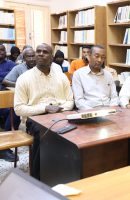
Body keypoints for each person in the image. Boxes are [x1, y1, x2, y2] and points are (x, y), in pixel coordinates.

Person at [14, 43, 74, 179]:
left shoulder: (61, 77)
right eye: (38, 51)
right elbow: (18, 109)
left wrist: (60, 109)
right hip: (34, 119)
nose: (40, 54)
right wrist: (45, 108)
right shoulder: (24, 78)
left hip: (60, 115)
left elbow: (70, 101)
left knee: (76, 131)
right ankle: (39, 177)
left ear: (52, 57)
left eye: (45, 52)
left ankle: (68, 171)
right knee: (46, 134)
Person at [72, 45, 118, 110]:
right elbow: (79, 101)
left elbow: (114, 97)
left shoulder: (108, 75)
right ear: (89, 56)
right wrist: (93, 112)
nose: (99, 60)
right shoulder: (78, 74)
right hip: (90, 111)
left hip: (108, 110)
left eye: (103, 57)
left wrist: (112, 109)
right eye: (97, 56)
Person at [0, 44, 19, 162]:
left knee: (15, 113)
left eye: (2, 49)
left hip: (6, 101)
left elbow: (15, 80)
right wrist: (4, 79)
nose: (0, 52)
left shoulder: (12, 65)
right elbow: (6, 79)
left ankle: (4, 148)